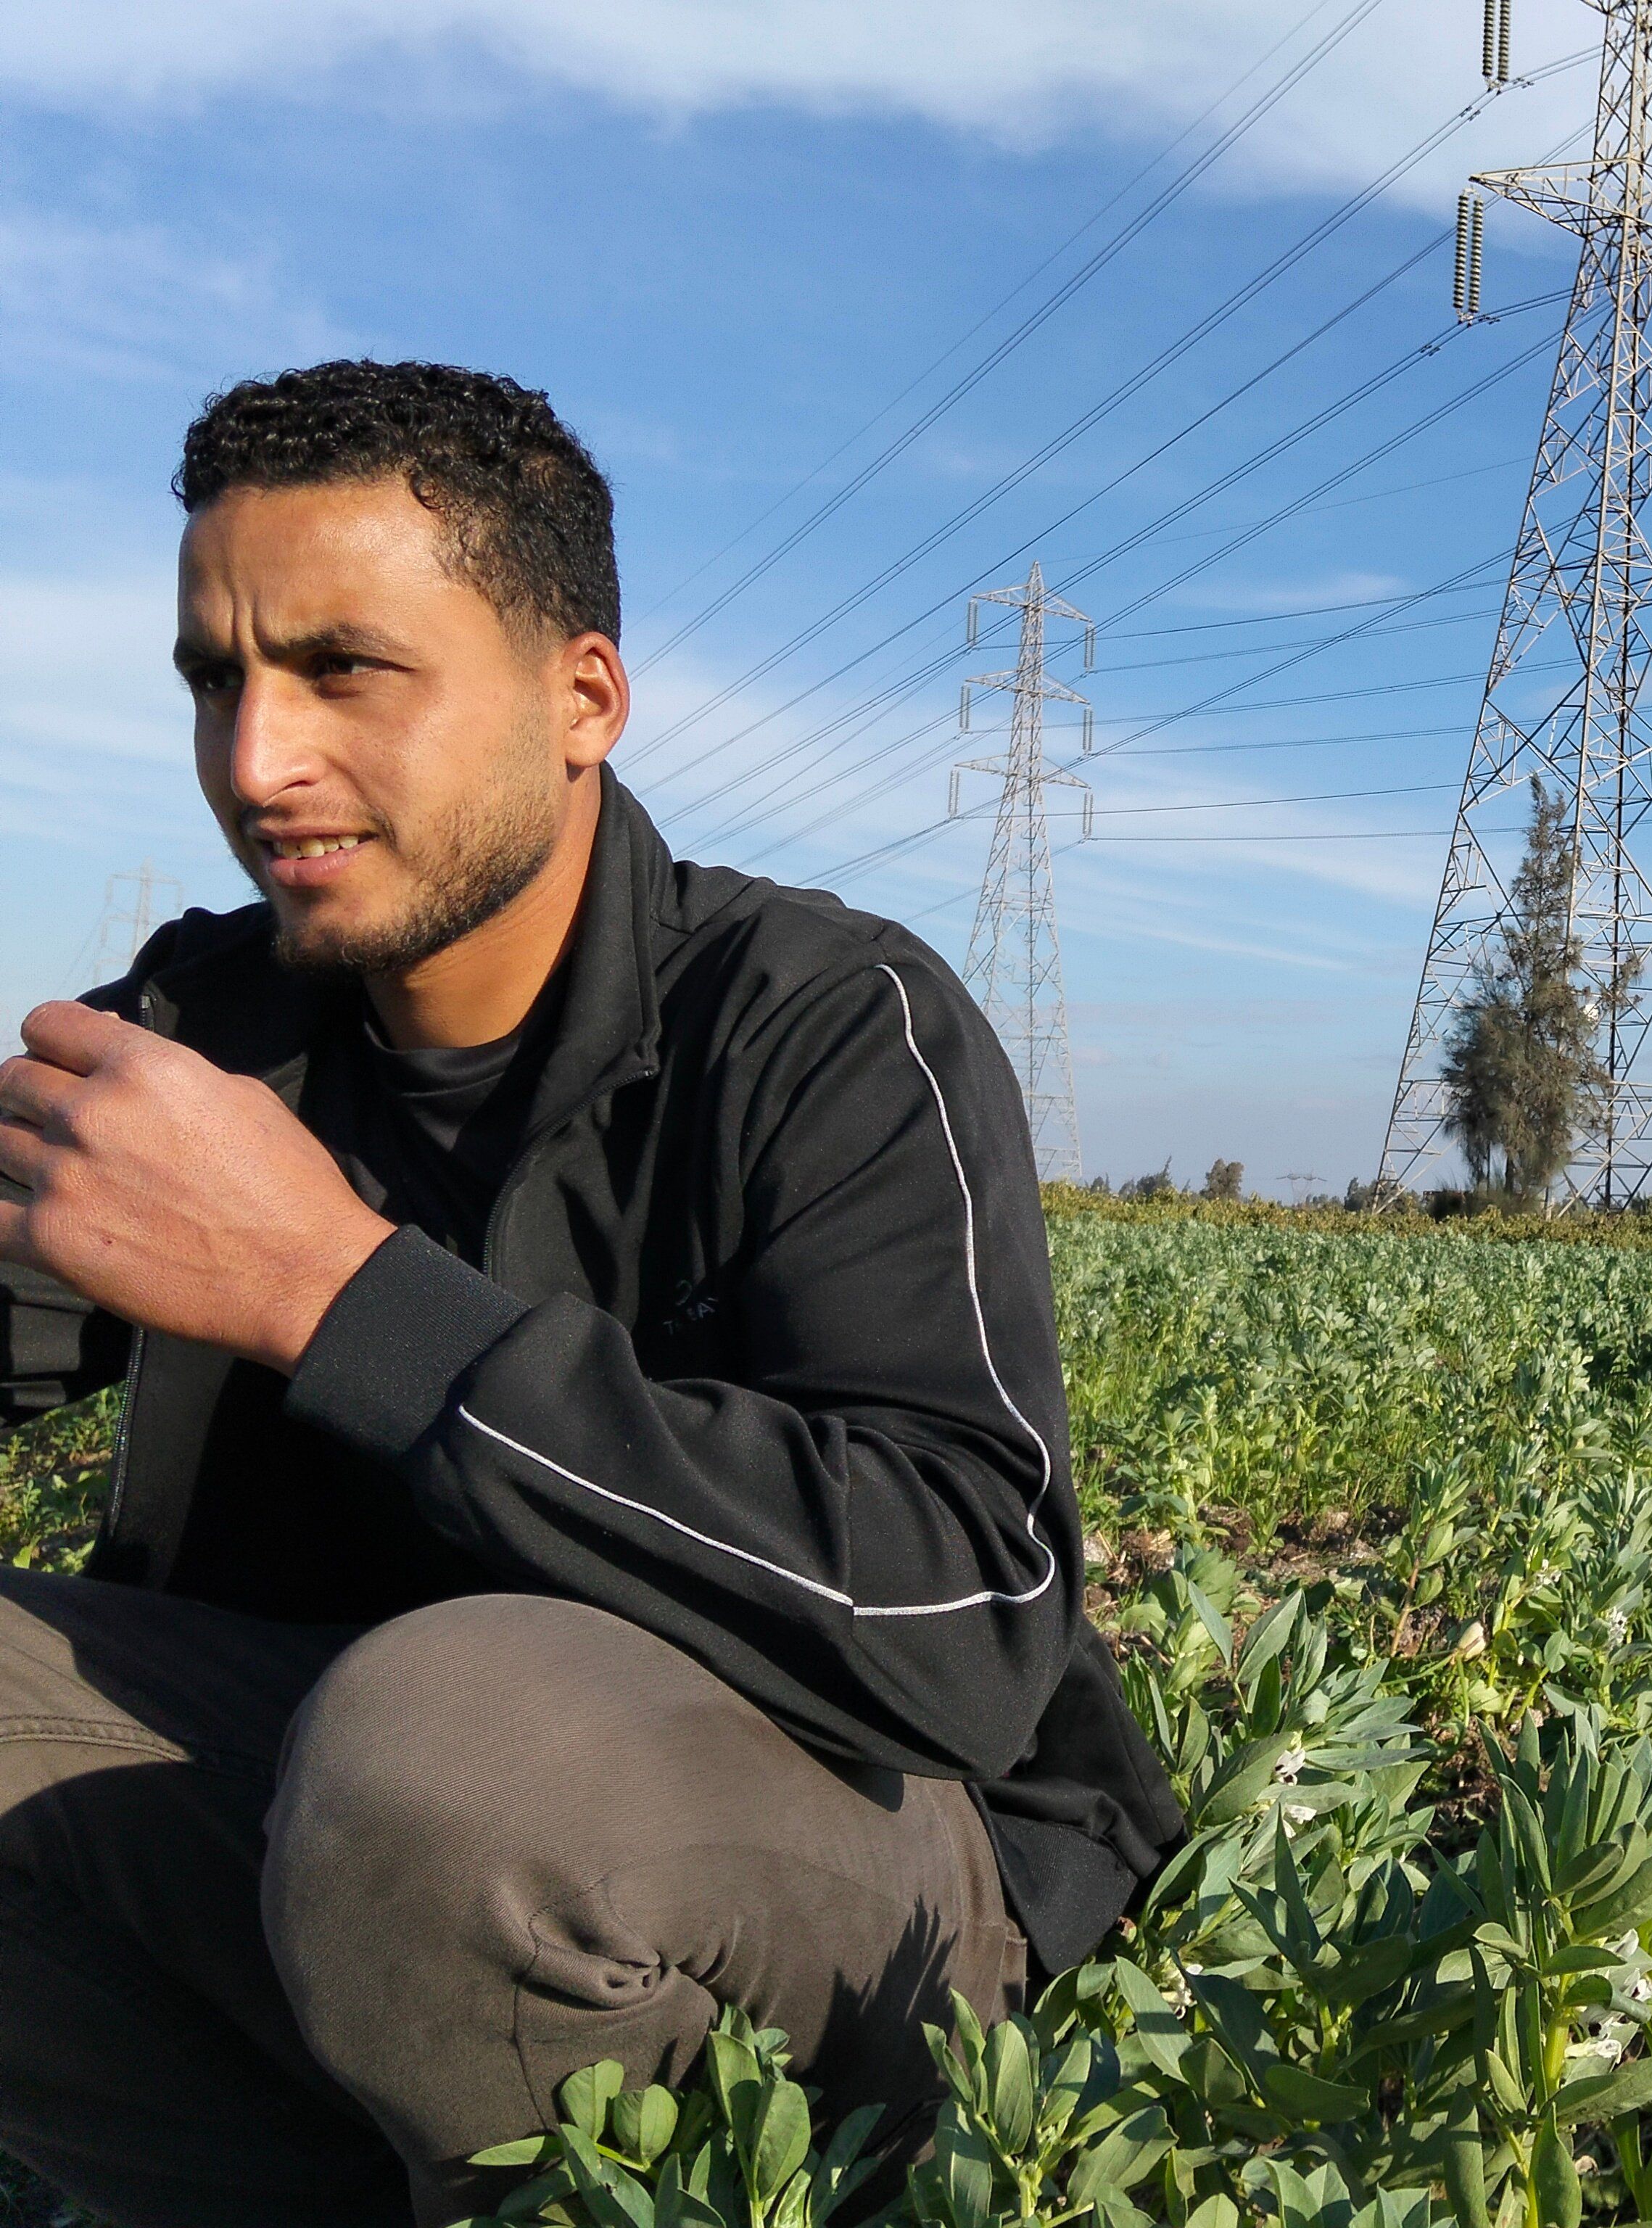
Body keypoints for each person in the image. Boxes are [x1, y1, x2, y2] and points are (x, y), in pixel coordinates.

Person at [0, 361, 1182, 2228]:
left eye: (344, 669)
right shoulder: (208, 1025)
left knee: (451, 1758)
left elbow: (967, 1615)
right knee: (397, 1774)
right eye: (218, 678)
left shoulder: (820, 1023)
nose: (254, 762)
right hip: (346, 1829)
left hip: (858, 1878)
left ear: (584, 699)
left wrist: (338, 1294)